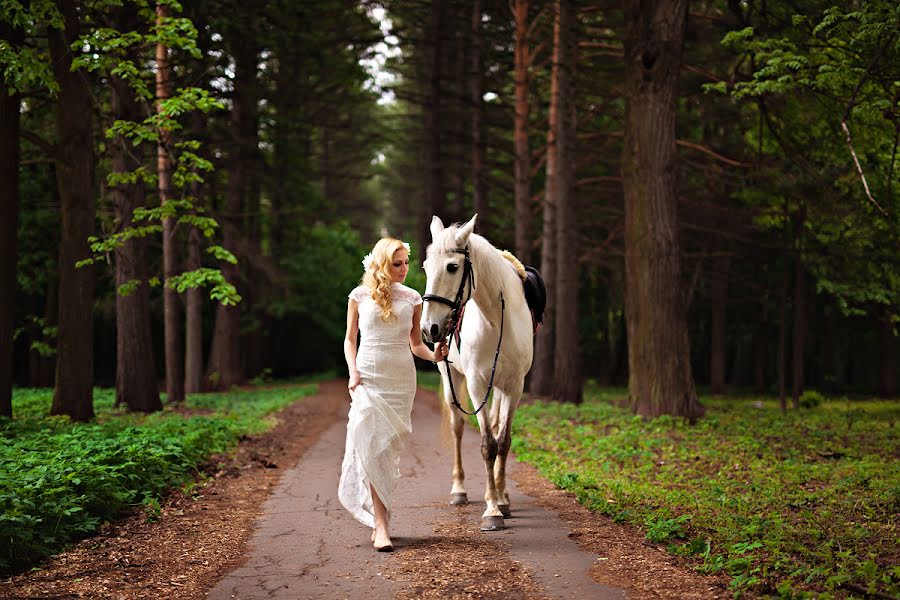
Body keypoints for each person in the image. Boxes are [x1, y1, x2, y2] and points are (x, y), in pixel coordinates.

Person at [340, 237, 447, 552]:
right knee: (371, 446)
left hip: (400, 380)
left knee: (387, 449)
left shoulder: (413, 297)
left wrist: (435, 356)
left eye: (405, 263)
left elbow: (415, 344)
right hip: (368, 378)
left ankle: (380, 517)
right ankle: (382, 525)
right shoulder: (359, 296)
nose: (403, 269)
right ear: (382, 264)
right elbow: (349, 340)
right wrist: (352, 372)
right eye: (396, 263)